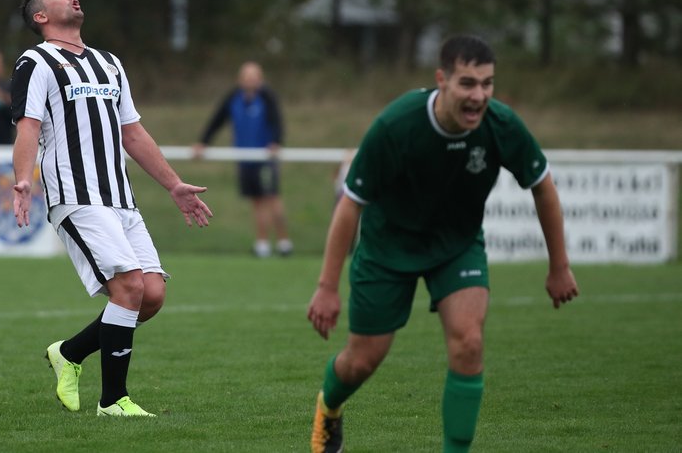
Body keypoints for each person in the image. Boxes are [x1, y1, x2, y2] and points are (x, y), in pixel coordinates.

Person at [306, 34, 579, 453]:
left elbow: (543, 187)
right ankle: (330, 406)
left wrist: (559, 266)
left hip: (457, 246)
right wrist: (327, 287)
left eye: (487, 84)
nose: (479, 95)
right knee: (362, 361)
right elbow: (350, 207)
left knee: (469, 341)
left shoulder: (501, 125)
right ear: (442, 80)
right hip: (387, 248)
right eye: (468, 83)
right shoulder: (396, 125)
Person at [11, 0, 213, 418]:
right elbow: (27, 125)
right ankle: (113, 401)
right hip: (75, 194)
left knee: (151, 295)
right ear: (41, 17)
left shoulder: (109, 63)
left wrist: (174, 184)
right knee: (128, 287)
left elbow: (132, 132)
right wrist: (23, 179)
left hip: (119, 197)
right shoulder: (36, 61)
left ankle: (68, 352)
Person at [193, 61, 292, 257]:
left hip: (265, 159)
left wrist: (276, 142)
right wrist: (203, 142)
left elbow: (277, 121)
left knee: (272, 199)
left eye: (254, 77)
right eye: (247, 77)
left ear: (260, 79)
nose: (250, 81)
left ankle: (284, 243)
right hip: (244, 159)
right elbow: (217, 119)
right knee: (256, 201)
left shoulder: (267, 97)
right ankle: (262, 244)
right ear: (240, 79)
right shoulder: (233, 97)